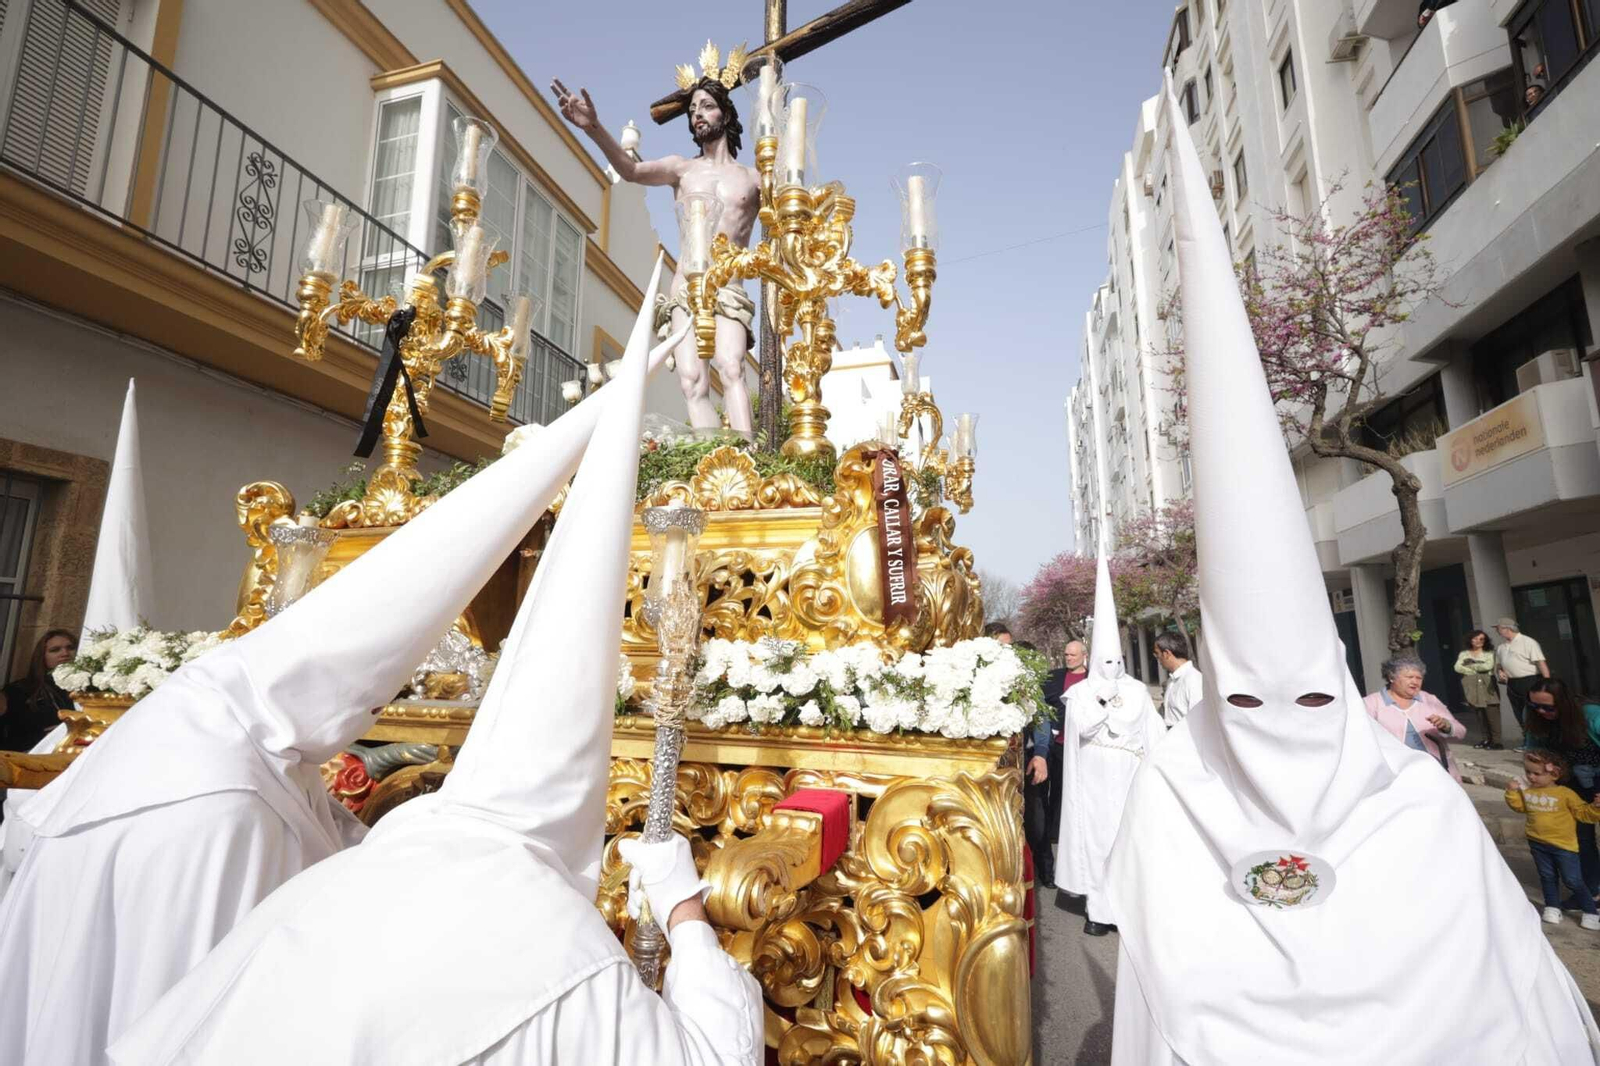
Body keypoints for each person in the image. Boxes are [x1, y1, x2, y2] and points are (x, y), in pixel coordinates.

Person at [0, 263, 688, 1066]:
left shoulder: (221, 708)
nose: (361, 719)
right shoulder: (221, 805)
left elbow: (315, 832)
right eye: (366, 703)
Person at [1105, 81, 1599, 1065]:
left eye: (1306, 695)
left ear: (1342, 682)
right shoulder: (1173, 789)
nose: (1278, 725)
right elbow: (1161, 984)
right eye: (1246, 696)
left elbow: (1509, 1005)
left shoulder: (1419, 803)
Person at [553, 47, 757, 436]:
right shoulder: (682, 169)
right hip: (684, 288)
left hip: (728, 286)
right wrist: (593, 127)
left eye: (707, 106)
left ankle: (747, 465)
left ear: (726, 114)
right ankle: (713, 462)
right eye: (693, 107)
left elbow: (788, 217)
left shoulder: (752, 178)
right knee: (692, 382)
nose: (697, 113)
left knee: (731, 367)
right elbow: (629, 170)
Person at [1055, 553, 1163, 937]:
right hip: (1096, 778)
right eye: (1105, 661)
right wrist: (1102, 700)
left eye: (1116, 660)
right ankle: (1099, 910)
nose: (1112, 667)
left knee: (1132, 839)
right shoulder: (1081, 693)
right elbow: (1081, 729)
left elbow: (1154, 734)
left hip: (1131, 773)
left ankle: (1133, 910)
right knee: (1100, 840)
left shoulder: (1137, 691)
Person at [1522, 678, 1600, 904]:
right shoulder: (1535, 717)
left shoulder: (1590, 714)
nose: (1542, 711)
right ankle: (1592, 890)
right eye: (1536, 706)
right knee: (1580, 839)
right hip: (1569, 785)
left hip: (1596, 777)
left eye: (1548, 707)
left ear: (1564, 702)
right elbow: (1533, 751)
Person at [1506, 749, 1600, 930]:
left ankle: (1590, 911)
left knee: (1572, 879)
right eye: (1528, 772)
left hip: (1564, 846)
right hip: (1537, 842)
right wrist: (1512, 793)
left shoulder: (1565, 793)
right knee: (1547, 876)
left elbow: (1583, 813)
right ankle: (1552, 906)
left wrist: (1596, 807)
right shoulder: (1528, 791)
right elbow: (1519, 807)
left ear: (1554, 774)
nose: (1531, 777)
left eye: (1537, 773)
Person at [1027, 639, 1086, 889]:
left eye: (1073, 654)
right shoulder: (1052, 679)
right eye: (1066, 654)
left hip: (1081, 750)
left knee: (1068, 800)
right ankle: (1047, 868)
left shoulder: (1093, 681)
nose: (1068, 658)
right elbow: (1041, 710)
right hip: (1051, 748)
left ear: (1084, 655)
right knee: (1043, 804)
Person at [1362, 656, 1467, 781]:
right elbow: (1362, 737)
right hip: (1395, 772)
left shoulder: (1429, 700)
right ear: (1391, 677)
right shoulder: (1372, 703)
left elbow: (1461, 731)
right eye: (1409, 677)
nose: (1415, 682)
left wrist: (1447, 726)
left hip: (1435, 769)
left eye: (1419, 678)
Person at [0, 629, 76, 754]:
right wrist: (45, 735)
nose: (65, 653)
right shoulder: (19, 690)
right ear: (42, 656)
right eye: (55, 650)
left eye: (70, 647)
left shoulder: (91, 687)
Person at [1496, 616, 1549, 727]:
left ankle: (1539, 739)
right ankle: (1526, 738)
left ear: (1507, 629)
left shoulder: (1528, 642)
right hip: (1512, 683)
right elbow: (1499, 665)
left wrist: (1547, 683)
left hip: (1530, 681)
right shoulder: (1501, 647)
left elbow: (1541, 663)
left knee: (1534, 712)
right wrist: (1500, 671)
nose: (1497, 631)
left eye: (1498, 628)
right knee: (1519, 713)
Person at [1456, 628, 1501, 749]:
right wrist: (1476, 667)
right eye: (1475, 638)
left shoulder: (1489, 653)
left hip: (1487, 683)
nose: (1478, 641)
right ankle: (1485, 739)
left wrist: (1470, 664)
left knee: (1492, 713)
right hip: (1472, 684)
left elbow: (1488, 666)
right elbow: (1458, 668)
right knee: (1479, 713)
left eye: (1481, 639)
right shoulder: (1464, 654)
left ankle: (1497, 741)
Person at [1153, 631, 1202, 729]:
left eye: (1158, 655)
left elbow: (1200, 722)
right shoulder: (1172, 681)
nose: (1158, 660)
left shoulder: (1193, 680)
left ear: (1166, 653)